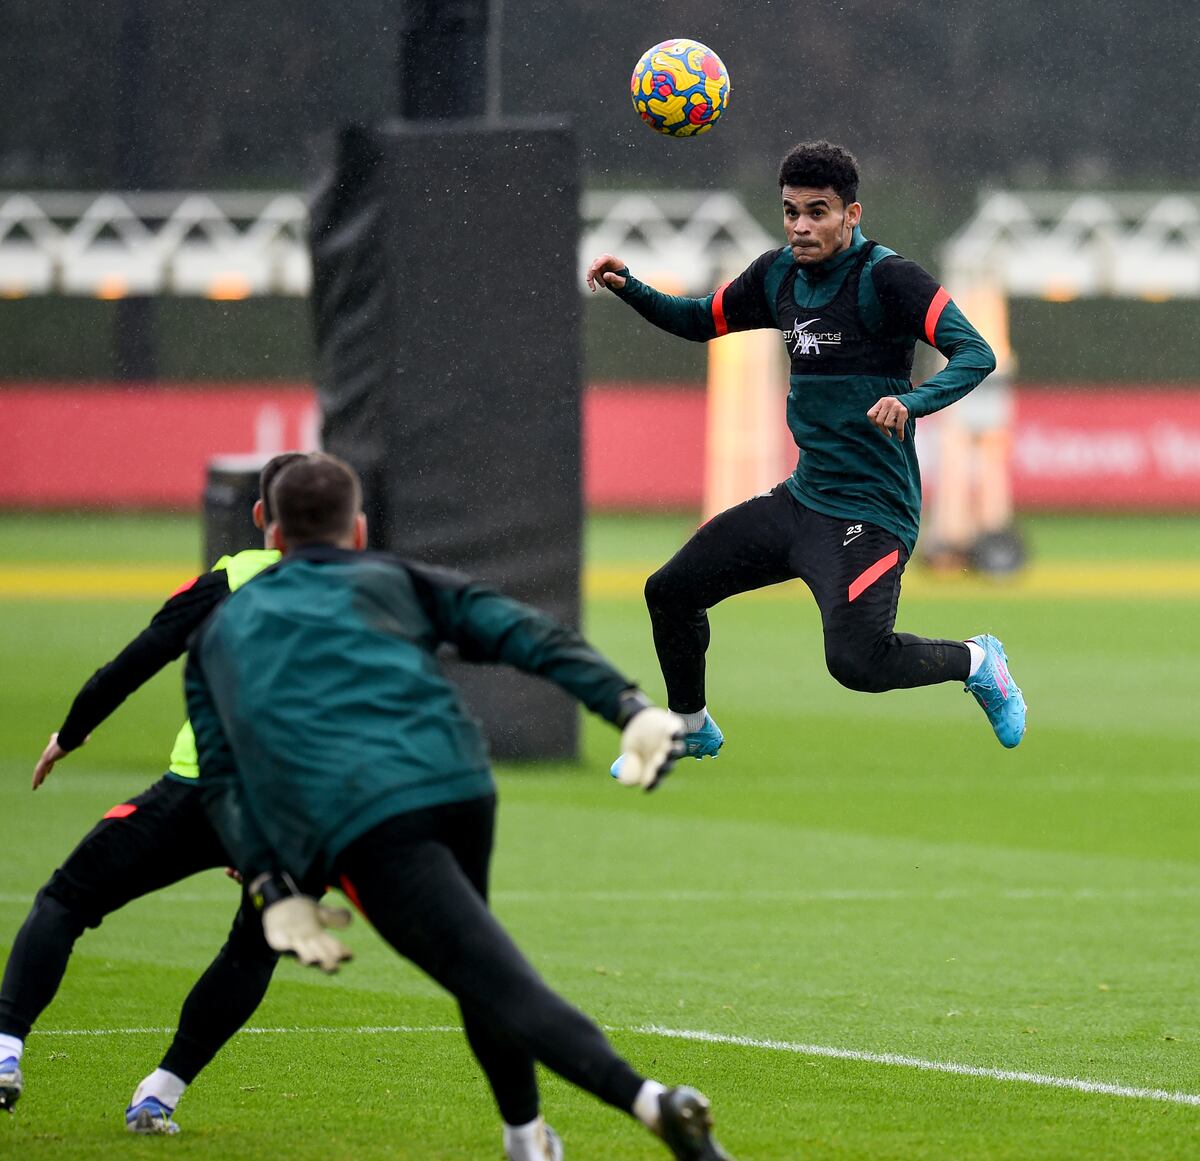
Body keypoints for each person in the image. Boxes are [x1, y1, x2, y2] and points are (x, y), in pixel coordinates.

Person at [187, 452, 736, 1161]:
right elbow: (526, 633)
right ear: (357, 530)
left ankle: (654, 1104)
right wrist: (626, 705)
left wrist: (268, 882)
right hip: (459, 783)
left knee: (489, 973)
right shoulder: (396, 578)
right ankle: (525, 1139)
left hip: (368, 816)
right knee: (478, 961)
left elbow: (224, 777)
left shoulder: (221, 631)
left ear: (267, 529)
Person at [586, 139, 1027, 769]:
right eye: (791, 211)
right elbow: (698, 320)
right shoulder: (777, 275)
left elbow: (976, 353)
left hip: (872, 514)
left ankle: (980, 663)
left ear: (852, 214)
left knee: (855, 663)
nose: (800, 226)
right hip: (802, 500)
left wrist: (915, 403)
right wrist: (629, 286)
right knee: (670, 591)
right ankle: (691, 724)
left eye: (817, 212)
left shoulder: (888, 278)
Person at [0, 452, 306, 1133]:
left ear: (261, 516)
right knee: (253, 948)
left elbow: (142, 655)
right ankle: (159, 1093)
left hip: (191, 795)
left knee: (65, 899)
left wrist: (72, 731)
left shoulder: (229, 581)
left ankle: (4, 1046)